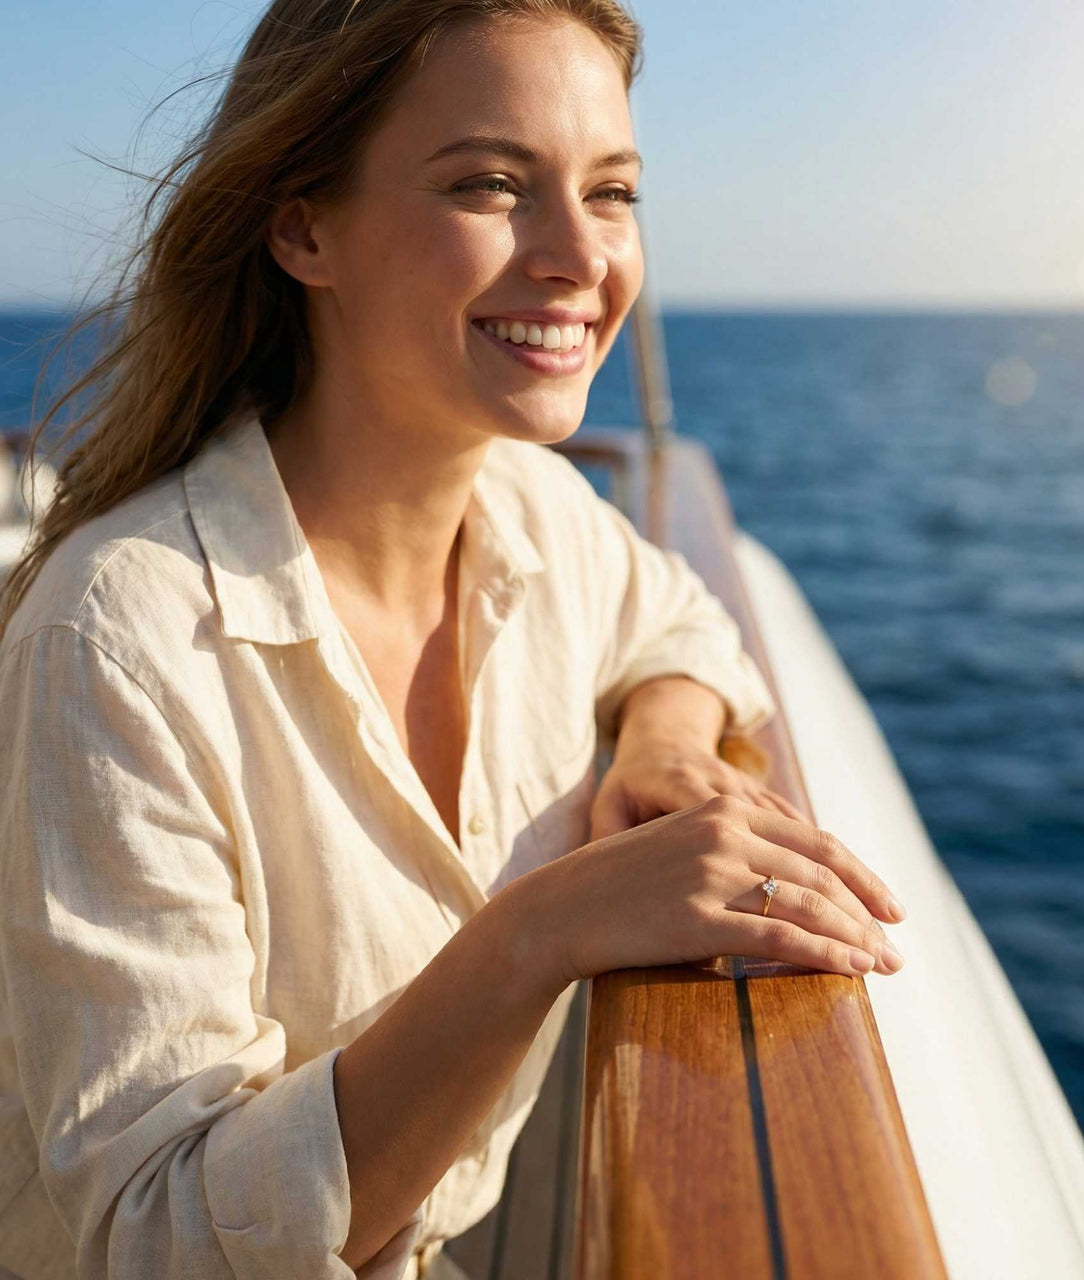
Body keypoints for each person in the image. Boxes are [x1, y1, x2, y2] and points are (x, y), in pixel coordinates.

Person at [0, 1, 907, 1276]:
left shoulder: (531, 511)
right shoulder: (119, 642)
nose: (578, 255)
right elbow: (156, 1235)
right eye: (490, 183)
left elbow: (682, 618)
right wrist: (539, 932)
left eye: (611, 191)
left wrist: (661, 739)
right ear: (304, 224)